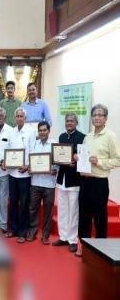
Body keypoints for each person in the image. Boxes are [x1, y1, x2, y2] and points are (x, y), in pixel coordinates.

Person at [76, 104, 120, 257]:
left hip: (99, 183)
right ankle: (83, 246)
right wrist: (78, 158)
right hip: (85, 181)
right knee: (84, 216)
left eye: (100, 115)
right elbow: (84, 158)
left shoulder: (110, 136)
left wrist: (99, 161)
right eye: (94, 115)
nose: (97, 118)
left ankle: (101, 249)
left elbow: (117, 160)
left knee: (100, 217)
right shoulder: (87, 137)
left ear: (105, 118)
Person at [53, 113, 85, 252]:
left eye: (72, 121)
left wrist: (75, 164)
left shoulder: (82, 137)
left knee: (73, 211)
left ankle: (72, 240)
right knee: (62, 209)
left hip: (74, 180)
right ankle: (63, 237)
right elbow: (58, 155)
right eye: (67, 121)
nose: (69, 123)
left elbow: (83, 159)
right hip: (61, 179)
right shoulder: (61, 137)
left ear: (76, 123)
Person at [5, 107, 36, 243]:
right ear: (14, 117)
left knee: (24, 204)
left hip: (24, 175)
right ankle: (13, 229)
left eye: (21, 116)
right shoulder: (11, 132)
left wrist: (28, 166)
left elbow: (33, 152)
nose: (19, 118)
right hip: (12, 174)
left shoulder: (30, 132)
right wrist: (5, 161)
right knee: (12, 202)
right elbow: (8, 151)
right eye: (17, 116)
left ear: (25, 118)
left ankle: (23, 232)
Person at [27, 121, 58, 245]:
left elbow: (59, 162)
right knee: (33, 209)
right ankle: (33, 233)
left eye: (44, 130)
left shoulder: (54, 144)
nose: (42, 132)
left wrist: (56, 170)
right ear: (38, 132)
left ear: (49, 131)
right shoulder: (34, 144)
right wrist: (30, 167)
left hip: (49, 183)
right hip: (35, 182)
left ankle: (45, 236)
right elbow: (31, 160)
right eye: (40, 130)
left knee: (48, 211)